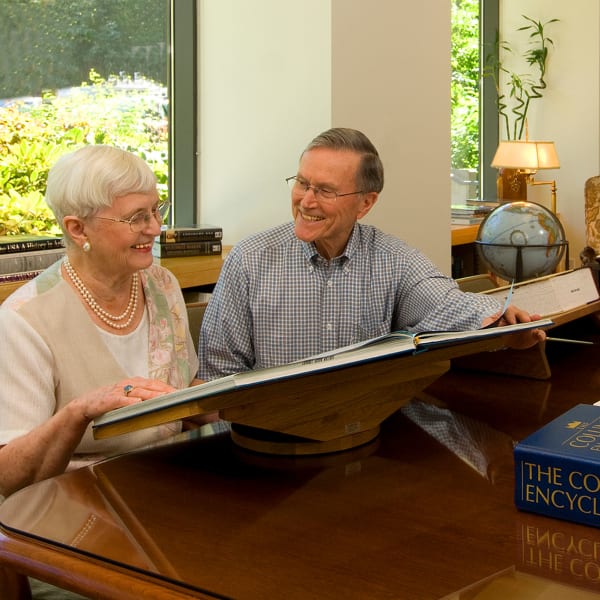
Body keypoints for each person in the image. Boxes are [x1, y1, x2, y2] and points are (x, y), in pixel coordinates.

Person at [199, 127, 545, 380]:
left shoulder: (392, 258)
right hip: (268, 442)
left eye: (325, 191)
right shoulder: (250, 259)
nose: (306, 200)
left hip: (364, 434)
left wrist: (500, 319)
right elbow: (218, 372)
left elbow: (445, 302)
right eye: (303, 183)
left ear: (365, 203)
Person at [0, 145, 207, 500]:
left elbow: (184, 389)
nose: (155, 228)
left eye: (156, 210)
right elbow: (10, 477)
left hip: (168, 484)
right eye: (136, 218)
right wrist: (77, 413)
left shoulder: (162, 284)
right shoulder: (24, 321)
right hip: (74, 503)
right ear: (78, 229)